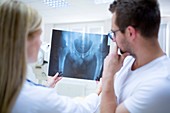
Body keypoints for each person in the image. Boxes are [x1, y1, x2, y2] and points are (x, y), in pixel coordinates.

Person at [0, 1, 101, 113]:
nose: (41, 42)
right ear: (25, 40)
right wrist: (99, 90)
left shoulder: (13, 91)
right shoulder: (39, 98)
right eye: (39, 35)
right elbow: (80, 110)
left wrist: (46, 86)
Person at [100, 0, 170, 113]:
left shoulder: (160, 84)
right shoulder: (128, 61)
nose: (113, 39)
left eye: (115, 33)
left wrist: (108, 75)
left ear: (130, 33)